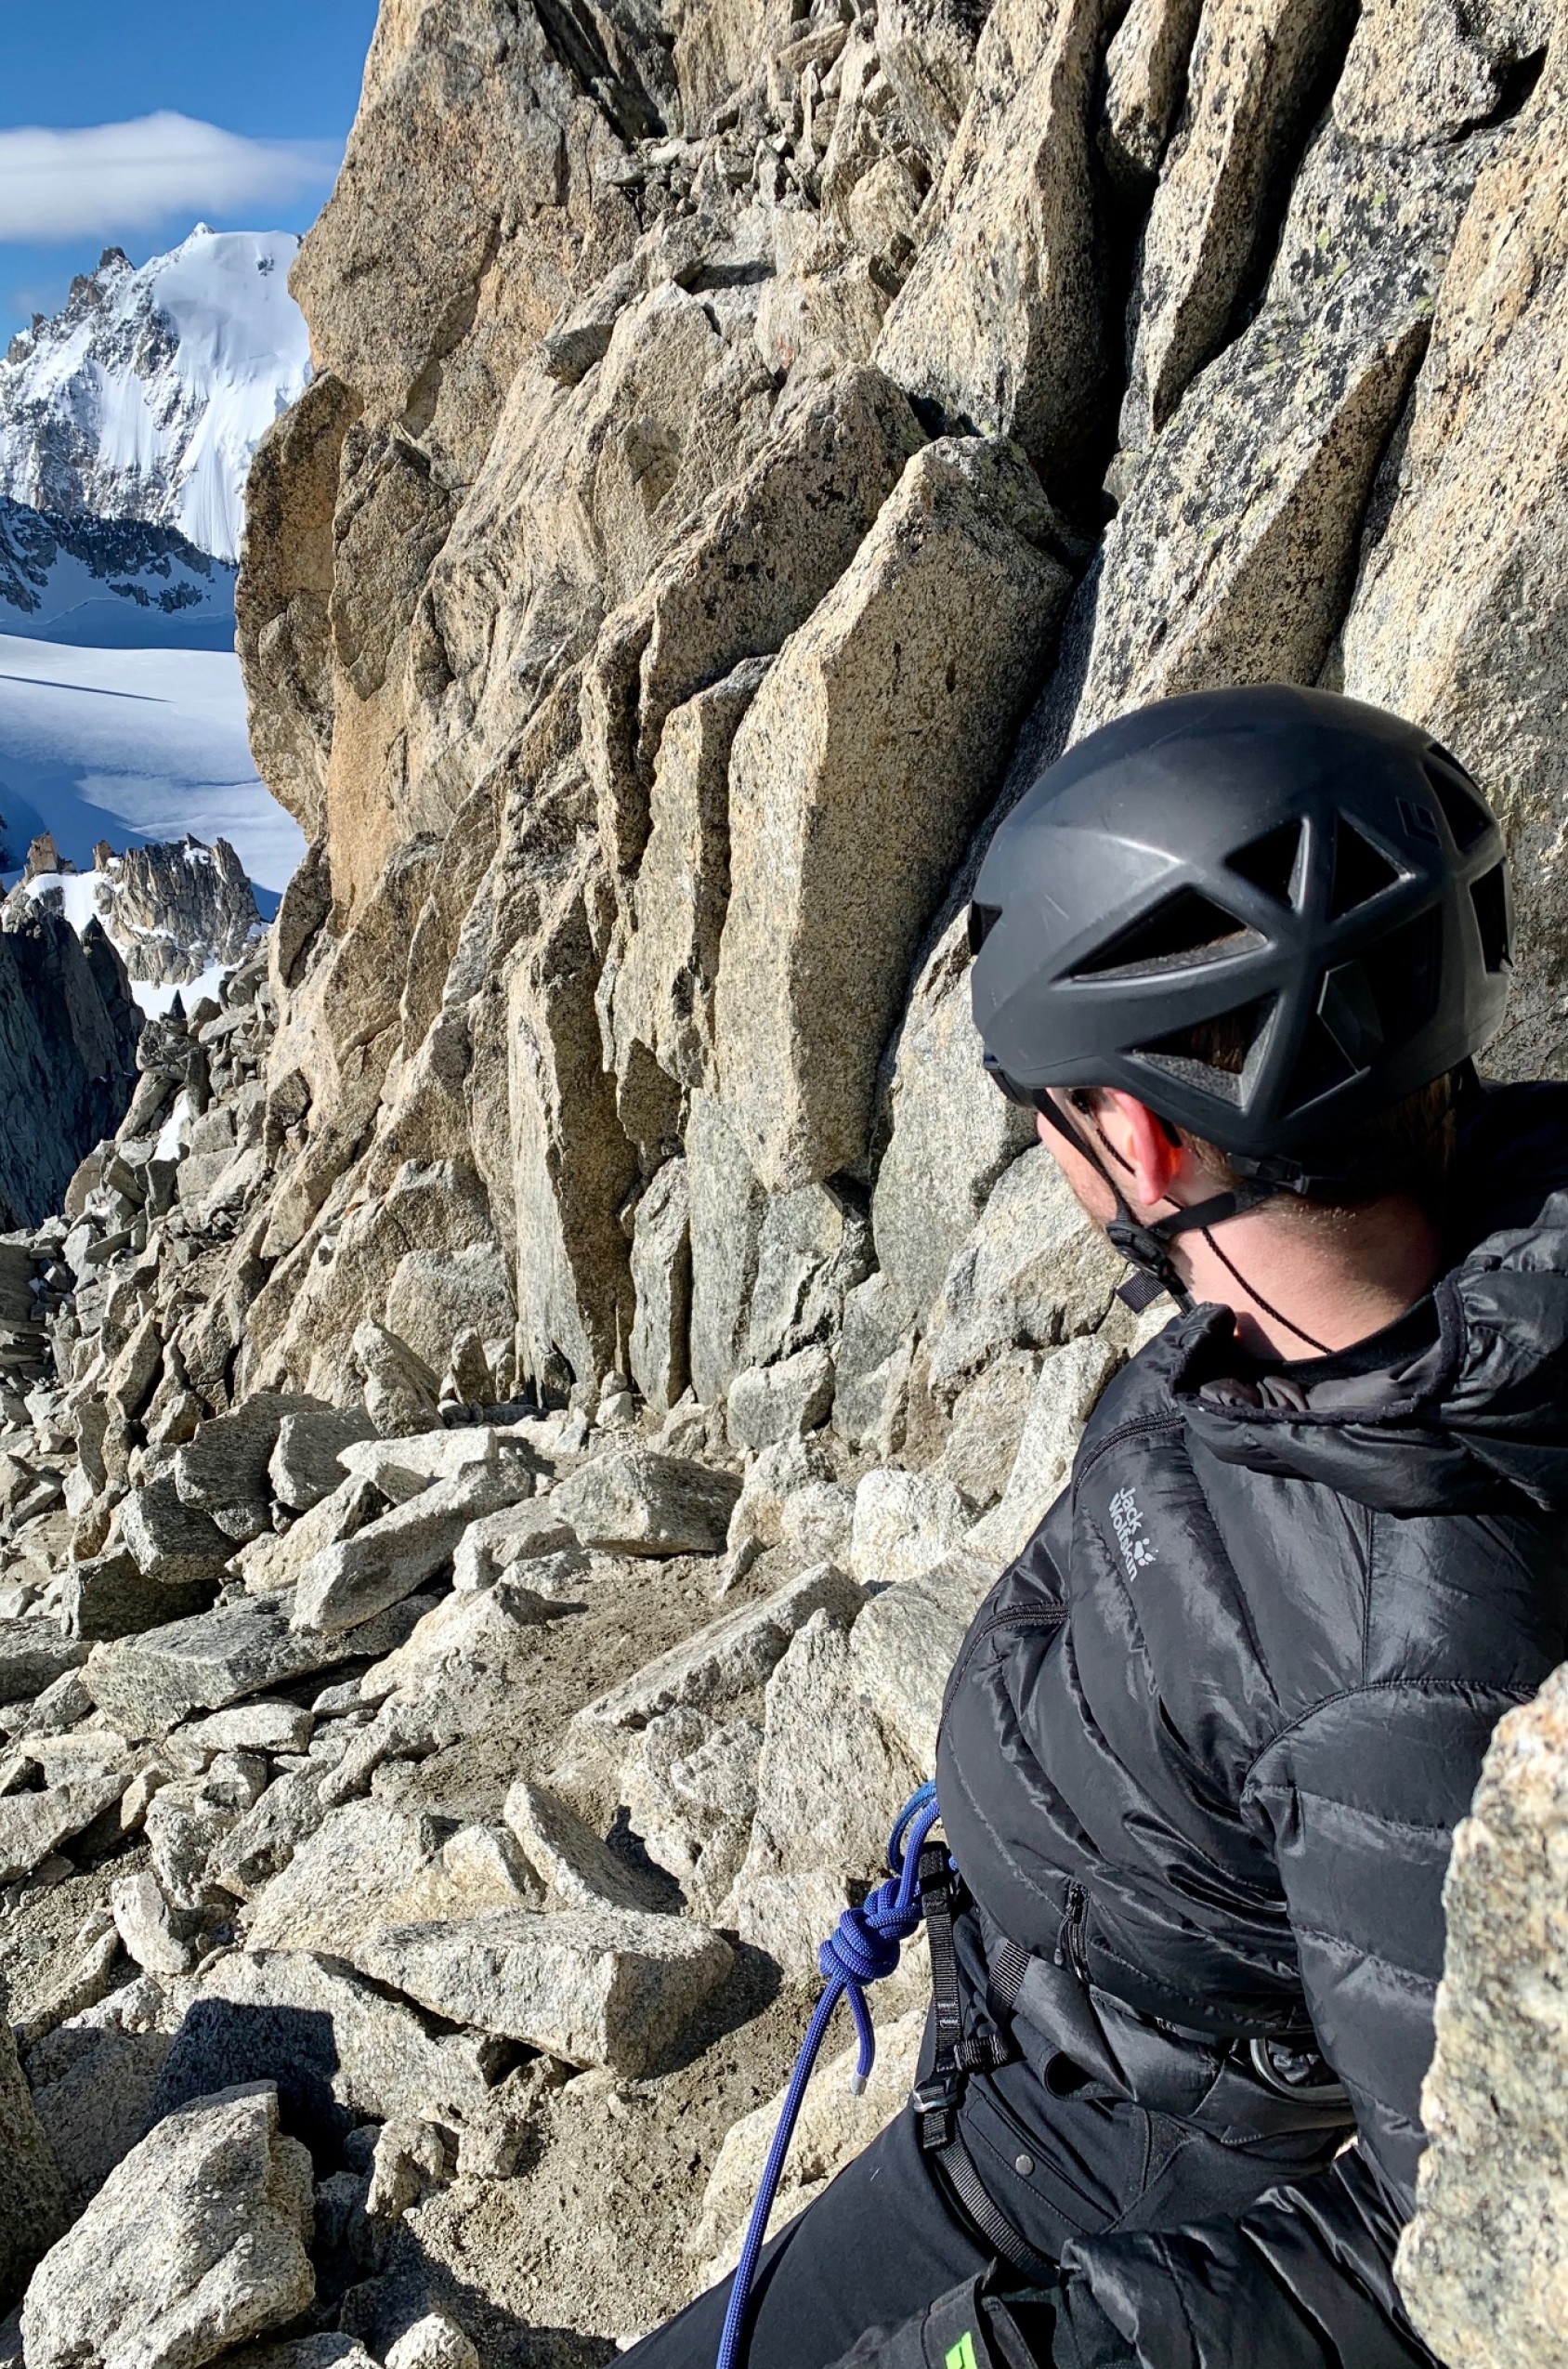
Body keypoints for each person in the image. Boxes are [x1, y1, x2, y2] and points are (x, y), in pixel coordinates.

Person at [622, 684, 1568, 2369]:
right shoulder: (1362, 1292)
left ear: (1137, 1137)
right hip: (1041, 2078)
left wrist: (1033, 2349)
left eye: (1045, 1108)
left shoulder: (1411, 1668)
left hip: (1073, 2199)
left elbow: (1469, 2248)